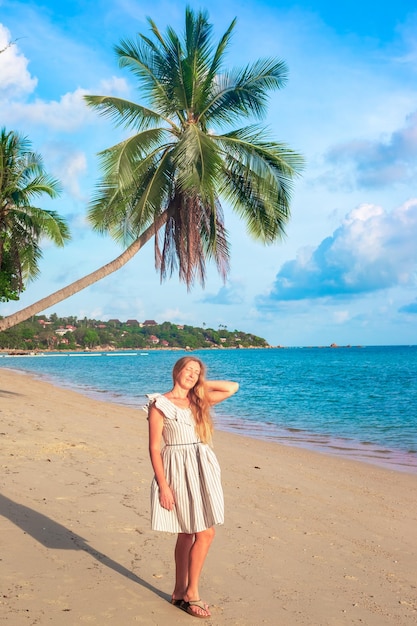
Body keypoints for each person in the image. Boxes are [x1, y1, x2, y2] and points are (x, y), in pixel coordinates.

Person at [147, 356, 239, 619]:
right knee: (201, 533)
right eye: (187, 369)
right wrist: (164, 486)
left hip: (202, 467)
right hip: (177, 469)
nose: (191, 374)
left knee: (190, 533)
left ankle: (178, 592)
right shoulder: (159, 405)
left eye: (196, 372)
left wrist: (200, 383)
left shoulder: (198, 401)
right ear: (176, 370)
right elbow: (154, 448)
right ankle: (191, 593)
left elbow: (232, 387)